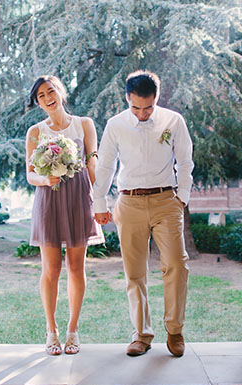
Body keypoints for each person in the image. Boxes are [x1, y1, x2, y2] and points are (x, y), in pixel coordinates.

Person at [93, 70, 194, 357]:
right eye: (136, 107)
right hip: (129, 202)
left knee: (176, 263)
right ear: (127, 99)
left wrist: (182, 198)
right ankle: (142, 333)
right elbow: (105, 166)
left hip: (166, 201)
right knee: (134, 273)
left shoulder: (173, 121)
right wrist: (99, 202)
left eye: (148, 107)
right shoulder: (115, 125)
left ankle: (174, 330)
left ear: (156, 98)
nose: (142, 113)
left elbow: (185, 160)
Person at [26, 75, 104, 356]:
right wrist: (46, 180)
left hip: (78, 197)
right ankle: (51, 331)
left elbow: (93, 164)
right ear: (38, 103)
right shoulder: (35, 131)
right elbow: (30, 174)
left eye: (51, 91)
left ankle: (73, 330)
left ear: (61, 92)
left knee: (75, 268)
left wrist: (101, 201)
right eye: (41, 96)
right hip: (49, 197)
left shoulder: (84, 124)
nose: (48, 98)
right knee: (51, 269)